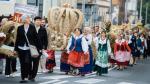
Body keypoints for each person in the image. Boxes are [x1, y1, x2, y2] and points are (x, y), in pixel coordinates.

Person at [14, 15, 42, 83]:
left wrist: (40, 48)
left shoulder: (32, 27)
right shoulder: (20, 28)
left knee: (27, 62)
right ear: (24, 20)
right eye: (28, 18)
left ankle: (27, 76)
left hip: (29, 48)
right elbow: (17, 39)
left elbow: (36, 38)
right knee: (22, 63)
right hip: (21, 48)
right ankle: (24, 77)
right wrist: (15, 49)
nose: (29, 19)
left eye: (29, 18)